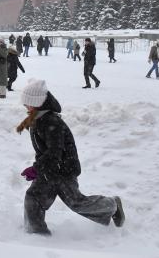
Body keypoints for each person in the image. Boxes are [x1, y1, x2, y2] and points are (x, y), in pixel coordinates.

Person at [16, 79, 125, 236]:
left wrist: (36, 168)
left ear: (37, 102)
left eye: (28, 103)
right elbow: (44, 151)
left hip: (63, 169)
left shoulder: (51, 122)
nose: (25, 106)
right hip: (49, 169)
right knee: (33, 198)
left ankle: (112, 205)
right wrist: (39, 168)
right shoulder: (37, 117)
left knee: (76, 203)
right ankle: (37, 236)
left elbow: (55, 153)